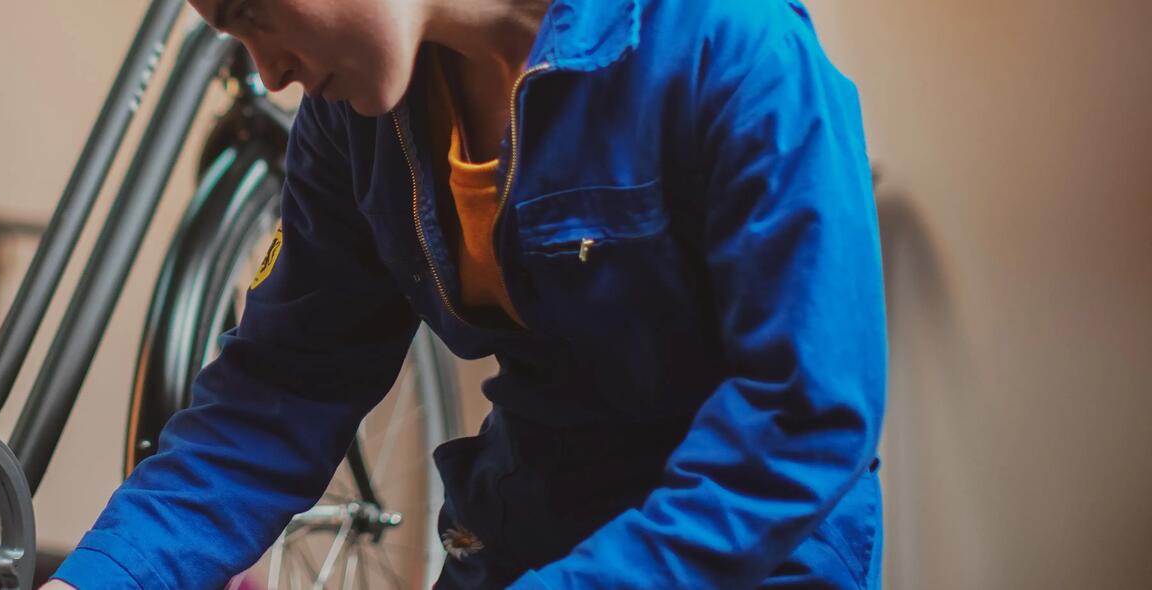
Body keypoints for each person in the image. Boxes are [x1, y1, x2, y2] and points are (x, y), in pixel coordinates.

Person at [49, 0, 885, 587]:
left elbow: (800, 420)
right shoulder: (354, 125)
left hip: (744, 556)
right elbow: (278, 390)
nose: (266, 72)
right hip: (533, 529)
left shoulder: (730, 45)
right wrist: (102, 579)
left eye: (251, 10)